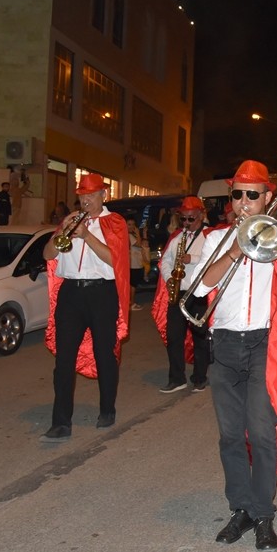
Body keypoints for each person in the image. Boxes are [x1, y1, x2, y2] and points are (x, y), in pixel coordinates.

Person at [187, 160, 277, 551]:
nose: (243, 202)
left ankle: (263, 514)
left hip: (263, 344)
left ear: (267, 198)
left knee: (259, 433)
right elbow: (199, 283)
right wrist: (236, 248)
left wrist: (265, 242)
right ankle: (239, 509)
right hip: (223, 342)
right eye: (237, 194)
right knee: (229, 436)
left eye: (252, 195)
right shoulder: (215, 238)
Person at [40, 173, 130, 441]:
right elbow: (47, 255)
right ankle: (60, 422)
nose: (86, 200)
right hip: (70, 293)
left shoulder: (115, 223)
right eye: (82, 195)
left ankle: (107, 409)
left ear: (103, 195)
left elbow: (116, 260)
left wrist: (87, 236)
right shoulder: (69, 221)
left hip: (102, 293)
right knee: (63, 359)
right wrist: (60, 233)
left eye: (91, 195)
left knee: (105, 353)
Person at [150, 196, 213, 392]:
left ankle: (199, 377)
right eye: (183, 219)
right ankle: (177, 378)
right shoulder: (178, 237)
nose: (186, 223)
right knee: (174, 336)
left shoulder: (210, 236)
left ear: (201, 215)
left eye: (191, 219)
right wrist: (169, 278)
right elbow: (166, 260)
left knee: (199, 338)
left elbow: (212, 259)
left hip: (198, 292)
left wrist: (190, 258)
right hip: (178, 291)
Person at [127, 220, 148, 306]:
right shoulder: (128, 235)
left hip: (136, 263)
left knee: (133, 284)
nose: (132, 226)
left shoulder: (132, 235)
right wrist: (138, 233)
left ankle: (130, 302)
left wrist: (143, 233)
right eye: (129, 224)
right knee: (132, 285)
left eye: (133, 224)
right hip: (133, 264)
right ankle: (131, 303)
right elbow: (139, 244)